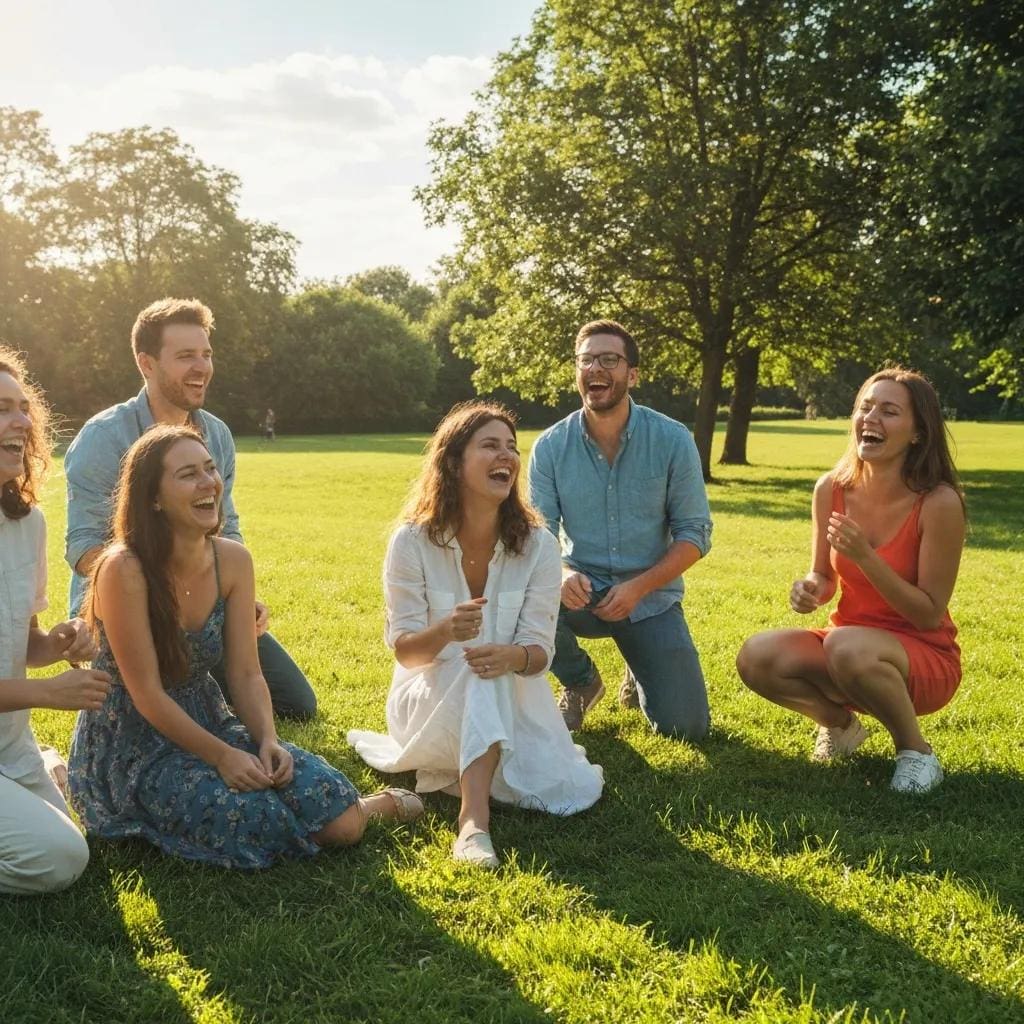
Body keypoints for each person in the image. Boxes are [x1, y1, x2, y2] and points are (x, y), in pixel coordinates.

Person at [68, 425, 423, 868]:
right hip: (136, 739)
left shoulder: (233, 560)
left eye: (210, 469)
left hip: (210, 719)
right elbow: (147, 695)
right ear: (153, 498)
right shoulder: (122, 569)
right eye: (188, 474)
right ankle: (66, 777)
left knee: (343, 820)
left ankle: (370, 806)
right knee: (253, 814)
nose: (208, 483)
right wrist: (223, 757)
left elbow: (245, 673)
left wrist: (266, 740)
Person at [348, 402, 603, 869]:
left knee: (489, 674)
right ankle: (473, 821)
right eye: (489, 445)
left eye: (512, 447)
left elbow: (539, 654)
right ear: (454, 462)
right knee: (478, 671)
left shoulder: (539, 546)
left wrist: (512, 656)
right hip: (426, 696)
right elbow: (406, 653)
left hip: (517, 699)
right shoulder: (411, 542)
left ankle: (467, 786)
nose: (506, 455)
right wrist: (445, 631)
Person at [64, 298, 317, 720]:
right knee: (159, 703)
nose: (202, 367)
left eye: (206, 354)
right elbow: (84, 549)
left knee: (296, 703)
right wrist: (157, 585)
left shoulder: (215, 434)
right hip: (131, 611)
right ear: (146, 363)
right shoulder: (103, 438)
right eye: (185, 356)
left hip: (202, 607)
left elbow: (225, 528)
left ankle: (205, 690)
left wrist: (238, 597)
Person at [736, 367, 965, 793]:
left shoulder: (939, 502)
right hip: (848, 646)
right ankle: (840, 726)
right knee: (756, 656)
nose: (871, 418)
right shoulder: (831, 489)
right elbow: (823, 575)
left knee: (848, 644)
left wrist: (866, 557)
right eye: (866, 407)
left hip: (923, 657)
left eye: (889, 411)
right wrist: (809, 589)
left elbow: (928, 612)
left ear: (918, 433)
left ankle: (917, 754)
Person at [528, 320, 712, 740]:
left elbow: (695, 534)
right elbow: (537, 534)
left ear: (632, 374)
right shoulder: (551, 447)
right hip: (580, 592)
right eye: (586, 360)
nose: (596, 368)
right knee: (518, 594)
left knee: (687, 728)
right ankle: (580, 681)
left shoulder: (672, 440)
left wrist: (638, 588)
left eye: (609, 359)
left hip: (649, 598)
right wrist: (558, 575)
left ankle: (638, 662)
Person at [0, 346, 111, 895]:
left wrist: (60, 641)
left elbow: (22, 642)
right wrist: (48, 693)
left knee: (79, 835)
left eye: (23, 408)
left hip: (8, 744)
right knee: (58, 859)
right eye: (1, 409)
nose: (20, 420)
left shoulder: (26, 523)